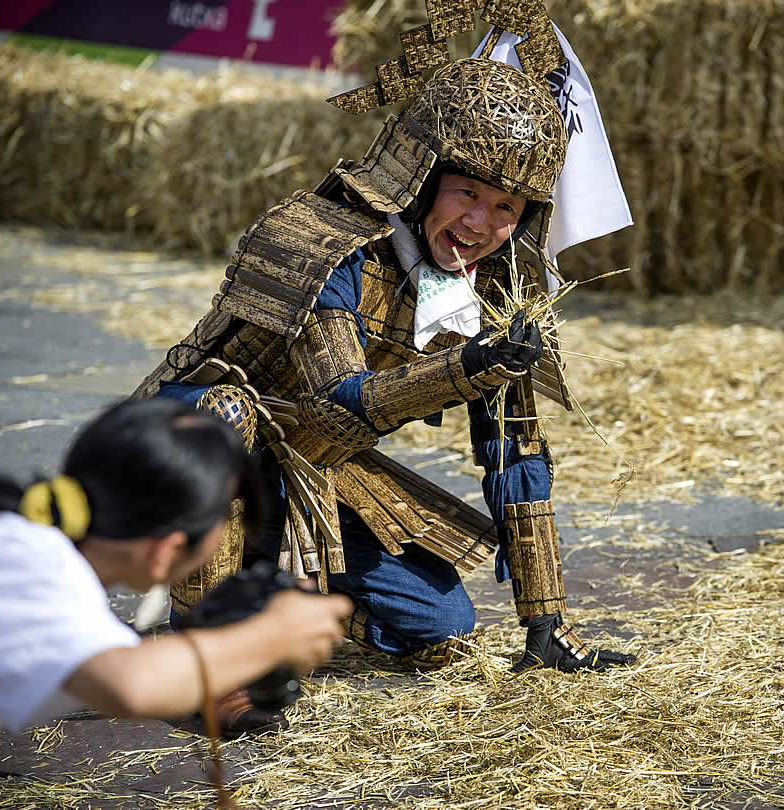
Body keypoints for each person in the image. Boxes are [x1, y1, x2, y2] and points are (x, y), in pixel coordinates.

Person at [131, 26, 634, 735]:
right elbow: (339, 399)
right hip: (183, 452)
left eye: (506, 208)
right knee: (224, 412)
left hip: (308, 470)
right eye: (468, 192)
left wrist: (544, 623)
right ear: (424, 174)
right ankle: (199, 659)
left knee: (442, 627)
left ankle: (273, 601)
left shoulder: (493, 292)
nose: (481, 223)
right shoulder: (322, 240)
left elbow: (517, 457)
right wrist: (465, 368)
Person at [0, 398, 352, 737]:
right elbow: (131, 685)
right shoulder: (32, 569)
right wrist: (275, 634)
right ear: (168, 550)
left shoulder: (19, 537)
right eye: (227, 517)